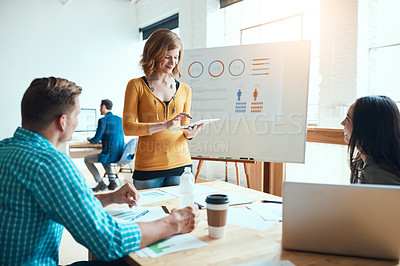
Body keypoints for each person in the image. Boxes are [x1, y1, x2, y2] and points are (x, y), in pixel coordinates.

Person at [0, 77, 199, 265]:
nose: (77, 122)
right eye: (76, 115)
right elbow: (109, 242)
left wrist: (111, 197)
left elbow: (68, 203)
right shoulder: (51, 164)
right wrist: (174, 223)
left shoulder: (4, 149)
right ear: (62, 122)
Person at [123, 29, 204, 190]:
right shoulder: (136, 85)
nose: (172, 62)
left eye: (176, 57)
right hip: (148, 168)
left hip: (181, 165)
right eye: (167, 56)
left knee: (182, 212)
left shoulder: (185, 89)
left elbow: (184, 127)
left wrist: (190, 133)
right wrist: (165, 125)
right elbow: (128, 127)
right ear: (154, 53)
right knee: (149, 214)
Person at [341, 95, 400, 185]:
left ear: (366, 128)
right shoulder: (360, 161)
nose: (342, 123)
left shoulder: (377, 171)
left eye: (348, 119)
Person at [85, 99, 125, 192]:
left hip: (110, 155)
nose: (100, 109)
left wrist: (89, 139)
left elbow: (95, 140)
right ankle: (112, 182)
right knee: (104, 156)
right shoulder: (120, 119)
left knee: (87, 159)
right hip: (120, 154)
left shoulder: (103, 120)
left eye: (100, 106)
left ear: (103, 106)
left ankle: (100, 183)